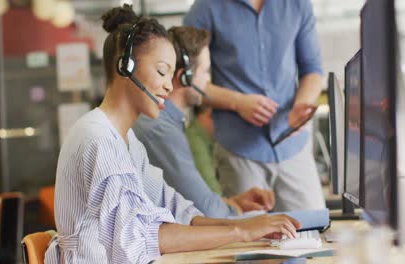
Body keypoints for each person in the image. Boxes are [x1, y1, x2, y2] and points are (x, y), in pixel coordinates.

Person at [45, 5, 300, 263]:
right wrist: (241, 231)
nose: (169, 85)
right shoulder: (97, 139)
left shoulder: (127, 141)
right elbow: (141, 238)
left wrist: (253, 225)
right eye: (161, 71)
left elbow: (176, 209)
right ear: (126, 66)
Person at [184, 0, 326, 211]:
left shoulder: (297, 4)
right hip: (239, 151)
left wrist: (301, 106)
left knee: (314, 233)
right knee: (249, 238)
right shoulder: (205, 8)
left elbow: (313, 70)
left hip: (293, 147)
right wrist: (237, 102)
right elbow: (187, 81)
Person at [134, 26, 274, 218]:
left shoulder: (169, 123)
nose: (208, 81)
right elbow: (205, 210)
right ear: (185, 76)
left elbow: (192, 199)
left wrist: (233, 202)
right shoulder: (160, 128)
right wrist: (236, 210)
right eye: (206, 71)